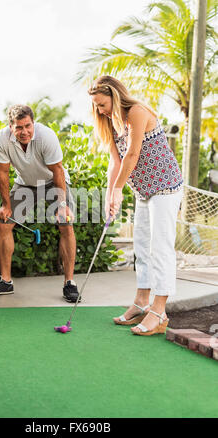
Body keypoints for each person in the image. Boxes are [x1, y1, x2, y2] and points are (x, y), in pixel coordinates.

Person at [88, 76, 183, 336]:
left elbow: (133, 153)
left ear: (115, 96)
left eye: (102, 104)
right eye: (96, 106)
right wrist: (111, 194)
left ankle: (159, 311)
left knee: (160, 247)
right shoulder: (112, 122)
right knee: (141, 248)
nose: (100, 110)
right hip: (143, 191)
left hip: (165, 186)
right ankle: (142, 302)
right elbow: (116, 163)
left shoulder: (137, 112)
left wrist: (119, 189)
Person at [0, 104, 80, 303]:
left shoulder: (46, 136)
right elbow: (2, 174)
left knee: (65, 224)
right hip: (25, 184)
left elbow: (58, 171)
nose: (24, 132)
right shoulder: (2, 140)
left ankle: (69, 283)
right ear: (11, 127)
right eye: (19, 127)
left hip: (53, 181)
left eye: (28, 126)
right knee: (3, 224)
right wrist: (5, 205)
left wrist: (62, 205)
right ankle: (6, 281)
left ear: (33, 123)